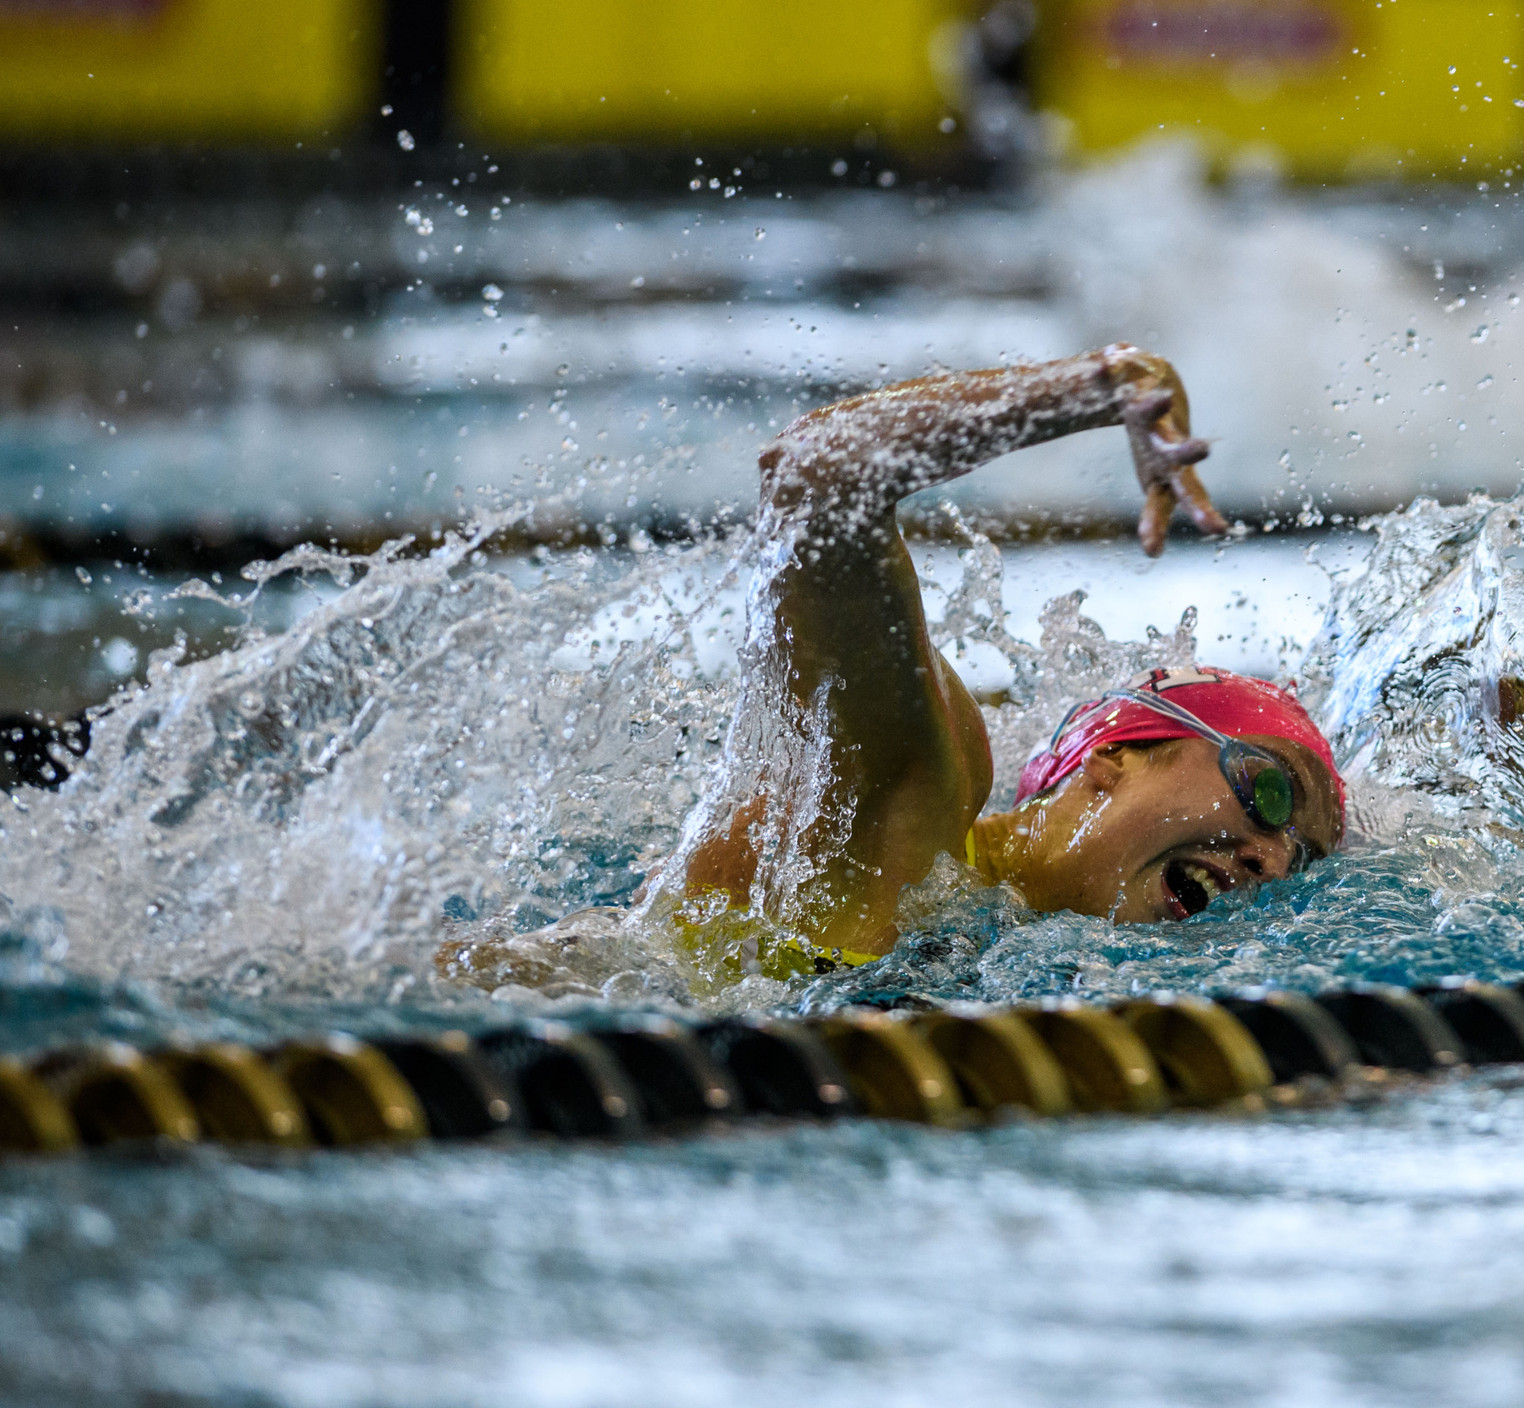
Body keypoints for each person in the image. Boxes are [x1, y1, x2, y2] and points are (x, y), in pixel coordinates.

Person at [438, 346, 1345, 993]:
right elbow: (816, 476)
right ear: (1117, 757)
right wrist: (1106, 384)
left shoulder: (988, 919)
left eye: (1297, 855)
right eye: (1270, 794)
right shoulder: (911, 801)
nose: (1272, 855)